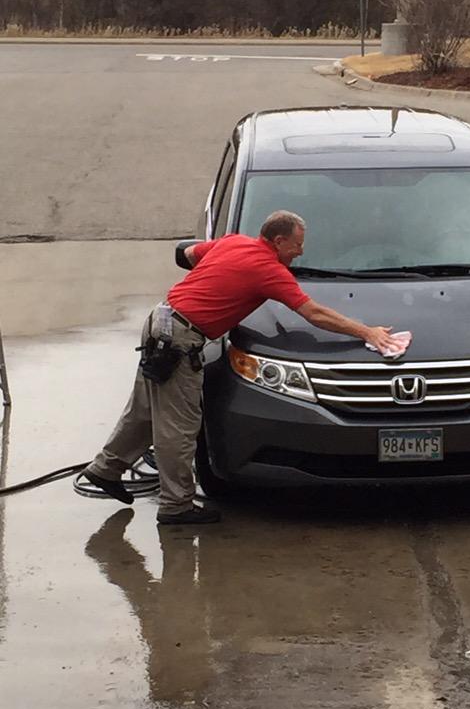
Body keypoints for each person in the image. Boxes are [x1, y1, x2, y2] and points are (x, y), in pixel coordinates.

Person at [82, 211, 400, 525]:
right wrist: (367, 332)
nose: (301, 251)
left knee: (145, 409)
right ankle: (176, 505)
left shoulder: (234, 242)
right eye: (297, 245)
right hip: (179, 339)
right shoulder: (268, 269)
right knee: (180, 425)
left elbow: (191, 254)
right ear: (278, 241)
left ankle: (104, 470)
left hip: (160, 321)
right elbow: (314, 313)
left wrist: (222, 283)